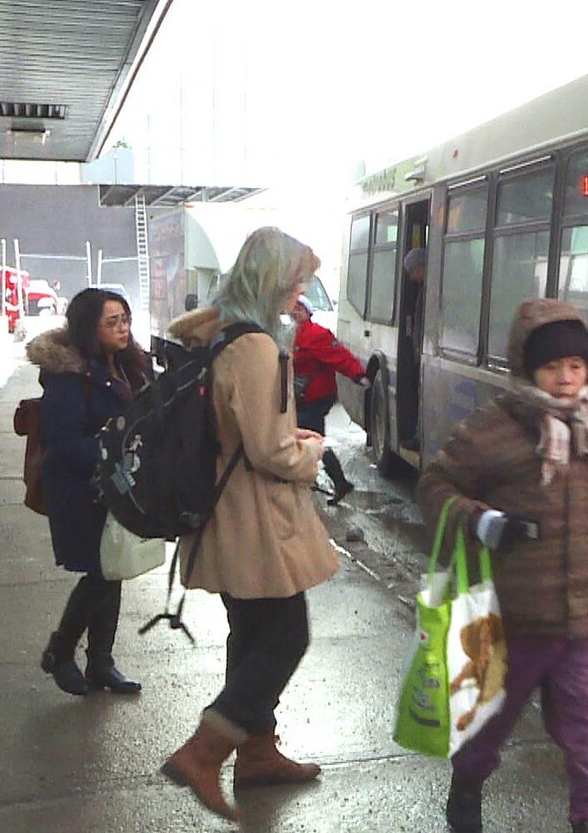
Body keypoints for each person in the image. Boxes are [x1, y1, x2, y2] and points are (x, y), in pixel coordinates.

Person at [416, 298, 588, 833]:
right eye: (553, 366)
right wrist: (483, 520)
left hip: (584, 621)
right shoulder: (496, 427)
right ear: (528, 368)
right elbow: (435, 486)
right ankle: (467, 787)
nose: (565, 377)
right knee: (491, 722)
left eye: (576, 366)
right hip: (510, 619)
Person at [159, 226, 343, 822]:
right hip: (257, 520)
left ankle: (258, 754)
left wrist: (288, 438)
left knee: (252, 634)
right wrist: (311, 450)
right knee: (287, 635)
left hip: (225, 511)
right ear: (270, 282)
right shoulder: (260, 348)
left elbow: (241, 433)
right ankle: (204, 752)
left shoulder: (220, 337)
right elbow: (271, 453)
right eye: (294, 282)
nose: (300, 294)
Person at [31, 288, 151, 697]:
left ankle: (101, 662)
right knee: (100, 574)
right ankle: (61, 651)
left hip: (117, 487)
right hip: (81, 491)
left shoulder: (129, 366)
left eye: (125, 319)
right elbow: (64, 442)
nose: (123, 328)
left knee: (112, 571)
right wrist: (112, 453)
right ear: (89, 328)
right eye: (112, 322)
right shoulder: (70, 376)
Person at [290, 294, 368, 505]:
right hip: (301, 398)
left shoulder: (317, 335)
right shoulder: (288, 334)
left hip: (315, 397)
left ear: (308, 312)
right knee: (307, 438)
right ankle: (329, 482)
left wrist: (358, 375)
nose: (295, 311)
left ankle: (333, 482)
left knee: (313, 439)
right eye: (293, 307)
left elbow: (340, 356)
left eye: (300, 308)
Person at [400, 246, 427, 450]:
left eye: (412, 271)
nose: (412, 277)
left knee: (423, 396)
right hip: (422, 351)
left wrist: (419, 347)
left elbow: (421, 322)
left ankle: (419, 437)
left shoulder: (429, 291)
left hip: (425, 352)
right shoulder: (425, 289)